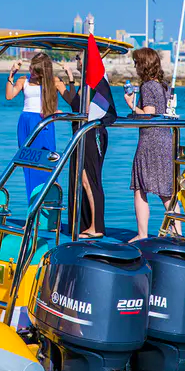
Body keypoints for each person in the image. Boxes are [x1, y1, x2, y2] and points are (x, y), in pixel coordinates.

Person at [59, 51, 116, 239]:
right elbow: (77, 104)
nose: (77, 60)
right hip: (83, 133)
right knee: (82, 179)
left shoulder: (94, 81)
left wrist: (64, 87)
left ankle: (96, 226)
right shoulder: (86, 82)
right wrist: (69, 79)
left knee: (90, 179)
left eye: (79, 57)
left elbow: (84, 108)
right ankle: (86, 223)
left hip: (92, 134)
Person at [125, 47, 177, 241]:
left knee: (140, 187)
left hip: (150, 140)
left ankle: (142, 234)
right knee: (166, 190)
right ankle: (177, 233)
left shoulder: (147, 86)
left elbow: (148, 115)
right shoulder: (164, 86)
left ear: (143, 65)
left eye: (137, 63)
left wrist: (131, 104)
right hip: (165, 138)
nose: (135, 66)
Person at [5, 53, 59, 197]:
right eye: (31, 68)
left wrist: (71, 79)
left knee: (47, 161)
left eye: (35, 70)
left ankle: (49, 202)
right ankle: (33, 204)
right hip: (26, 122)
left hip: (43, 122)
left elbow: (70, 98)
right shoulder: (24, 80)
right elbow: (9, 96)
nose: (31, 72)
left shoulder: (53, 81)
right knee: (28, 164)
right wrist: (11, 75)